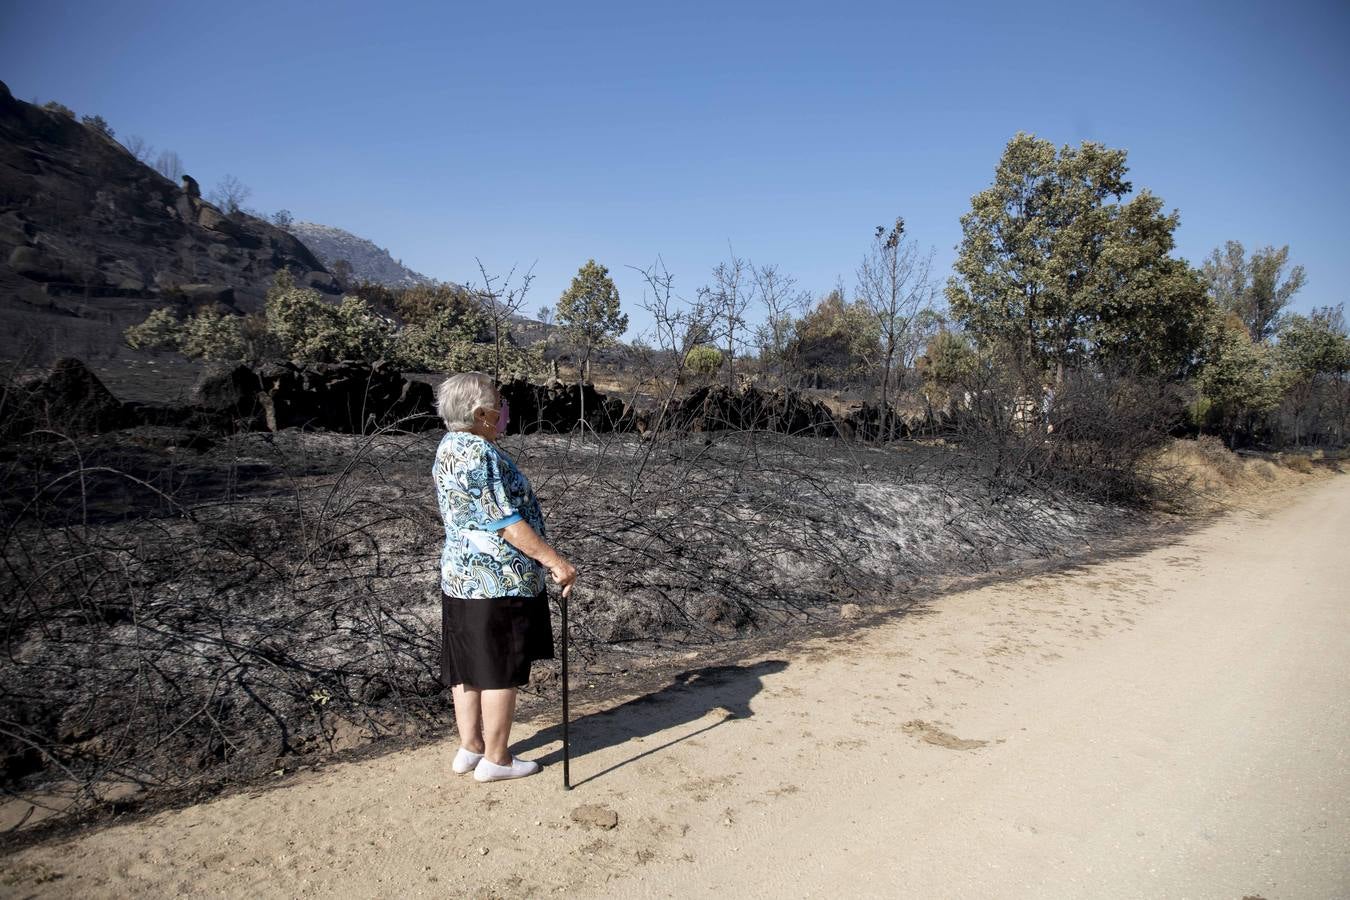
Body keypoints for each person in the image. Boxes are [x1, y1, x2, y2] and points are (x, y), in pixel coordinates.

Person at [432, 372, 577, 782]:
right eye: (498, 402)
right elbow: (507, 522)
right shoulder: (479, 452)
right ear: (481, 414)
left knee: (468, 665)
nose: (504, 409)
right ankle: (496, 758)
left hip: (461, 576)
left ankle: (471, 747)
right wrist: (556, 561)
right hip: (497, 578)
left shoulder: (449, 446)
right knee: (498, 668)